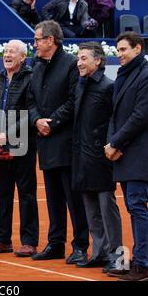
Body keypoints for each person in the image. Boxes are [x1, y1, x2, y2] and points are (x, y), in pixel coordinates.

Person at [28, 20, 89, 264]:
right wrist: (36, 121)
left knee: (73, 199)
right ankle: (55, 243)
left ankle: (81, 245)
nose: (34, 44)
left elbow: (74, 102)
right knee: (53, 198)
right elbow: (31, 99)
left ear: (50, 40)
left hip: (65, 141)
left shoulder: (71, 65)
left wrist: (50, 123)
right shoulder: (37, 65)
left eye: (37, 40)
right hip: (45, 141)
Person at [105, 32, 148, 281]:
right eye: (117, 50)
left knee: (138, 206)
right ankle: (133, 262)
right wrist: (112, 144)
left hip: (140, 153)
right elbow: (115, 115)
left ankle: (142, 266)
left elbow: (140, 117)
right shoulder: (122, 75)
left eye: (124, 49)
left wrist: (116, 142)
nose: (119, 54)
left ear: (138, 49)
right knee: (132, 206)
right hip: (124, 153)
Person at [0, 40, 39, 257]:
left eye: (12, 52)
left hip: (23, 144)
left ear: (23, 57)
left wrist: (9, 133)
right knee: (2, 193)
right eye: (5, 51)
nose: (7, 55)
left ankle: (29, 241)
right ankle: (2, 239)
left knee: (26, 194)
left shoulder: (31, 78)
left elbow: (30, 112)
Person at [72, 42, 123, 275]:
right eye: (78, 58)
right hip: (82, 157)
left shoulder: (107, 87)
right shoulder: (81, 85)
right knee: (91, 208)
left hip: (101, 158)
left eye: (84, 58)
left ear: (98, 61)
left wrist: (111, 146)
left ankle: (118, 259)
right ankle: (100, 253)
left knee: (107, 209)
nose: (79, 62)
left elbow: (117, 120)